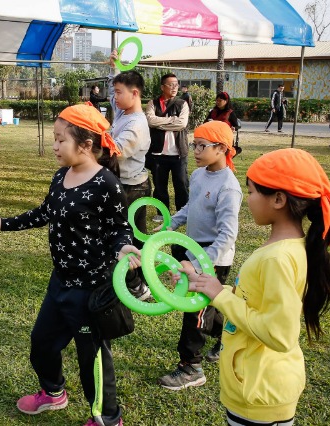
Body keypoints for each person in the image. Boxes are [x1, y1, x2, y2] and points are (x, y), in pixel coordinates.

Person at [0, 104, 140, 426]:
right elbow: (44, 213)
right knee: (42, 344)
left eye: (59, 140)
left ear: (85, 145)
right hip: (61, 282)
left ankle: (107, 418)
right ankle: (53, 392)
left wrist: (124, 246)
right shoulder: (60, 176)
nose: (54, 146)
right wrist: (4, 223)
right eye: (54, 139)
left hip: (90, 291)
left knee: (92, 359)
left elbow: (119, 227)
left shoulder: (107, 183)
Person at [180, 148, 330, 425]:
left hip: (260, 394)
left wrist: (220, 295)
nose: (248, 200)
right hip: (255, 387)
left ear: (278, 199)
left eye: (253, 192)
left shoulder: (277, 258)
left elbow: (279, 335)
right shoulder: (286, 248)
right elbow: (254, 300)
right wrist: (208, 286)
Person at [156, 121, 242, 391]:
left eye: (202, 146)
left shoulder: (229, 187)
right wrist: (169, 225)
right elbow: (190, 207)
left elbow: (227, 236)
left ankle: (191, 367)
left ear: (221, 148)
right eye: (195, 144)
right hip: (193, 248)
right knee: (209, 308)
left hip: (212, 257)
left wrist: (196, 264)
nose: (195, 150)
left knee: (194, 311)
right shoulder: (199, 175)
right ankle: (227, 336)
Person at [107, 50, 153, 301]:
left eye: (118, 92)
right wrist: (116, 67)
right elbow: (116, 97)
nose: (114, 97)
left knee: (135, 237)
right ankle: (126, 277)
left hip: (133, 188)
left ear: (134, 94)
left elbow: (115, 151)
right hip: (121, 184)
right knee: (117, 233)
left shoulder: (136, 124)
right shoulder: (124, 111)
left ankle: (140, 286)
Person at [145, 73, 190, 222]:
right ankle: (161, 212)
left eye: (176, 84)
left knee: (182, 184)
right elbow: (150, 120)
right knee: (159, 186)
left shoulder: (182, 103)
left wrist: (161, 124)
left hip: (178, 153)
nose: (174, 87)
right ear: (162, 87)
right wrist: (172, 120)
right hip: (158, 153)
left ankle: (182, 213)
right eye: (170, 84)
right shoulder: (153, 103)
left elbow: (182, 124)